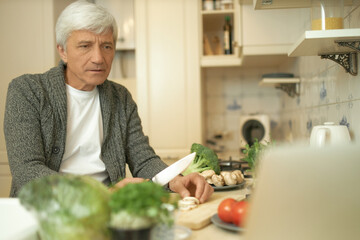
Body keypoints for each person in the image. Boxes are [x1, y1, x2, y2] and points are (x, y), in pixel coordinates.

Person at [3, 1, 213, 202]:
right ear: (63, 51)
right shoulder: (27, 91)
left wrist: (174, 179)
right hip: (46, 212)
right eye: (85, 46)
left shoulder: (120, 97)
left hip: (106, 211)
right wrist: (101, 194)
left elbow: (143, 159)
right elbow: (27, 171)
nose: (98, 58)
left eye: (106, 46)